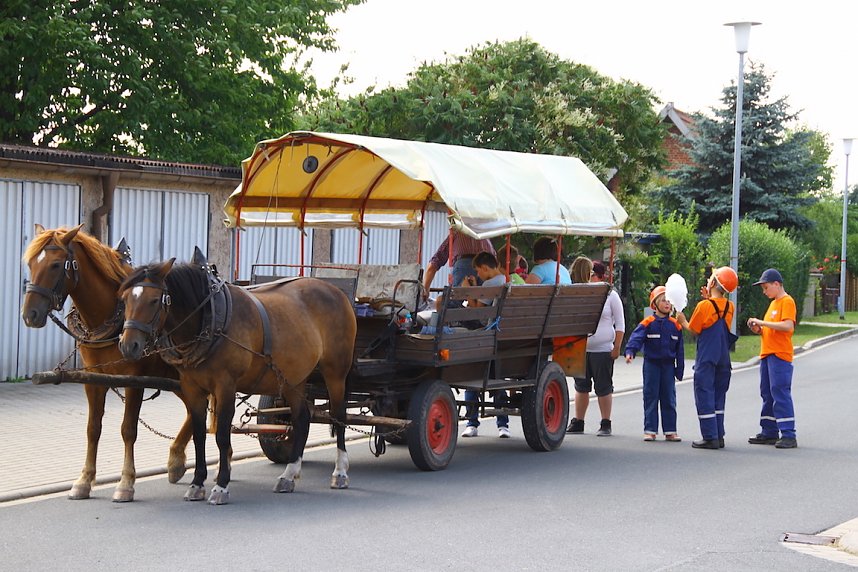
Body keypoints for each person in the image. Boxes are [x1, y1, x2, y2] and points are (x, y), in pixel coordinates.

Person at [676, 266, 737, 450]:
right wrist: (709, 298)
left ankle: (710, 437)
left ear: (714, 283)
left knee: (704, 393)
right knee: (719, 395)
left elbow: (694, 329)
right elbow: (715, 314)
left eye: (711, 278)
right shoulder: (730, 306)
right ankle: (719, 435)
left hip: (707, 357)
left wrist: (682, 321)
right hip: (723, 358)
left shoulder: (704, 306)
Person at [567, 260, 624, 436]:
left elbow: (620, 323)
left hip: (602, 349)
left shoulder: (610, 295)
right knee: (580, 386)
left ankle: (606, 422)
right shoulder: (578, 293)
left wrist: (617, 347)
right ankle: (579, 420)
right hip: (581, 348)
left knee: (604, 386)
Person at [460, 251, 510, 438]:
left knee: (471, 376)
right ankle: (503, 425)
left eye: (478, 271)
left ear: (485, 268)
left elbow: (477, 312)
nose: (478, 274)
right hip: (504, 333)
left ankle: (472, 423)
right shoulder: (507, 280)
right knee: (498, 381)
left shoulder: (490, 284)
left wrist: (467, 290)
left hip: (486, 332)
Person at [746, 268, 798, 449]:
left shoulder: (787, 301)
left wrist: (762, 322)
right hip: (768, 353)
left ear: (777, 284)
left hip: (779, 354)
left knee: (780, 391)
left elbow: (788, 326)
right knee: (767, 392)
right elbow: (772, 328)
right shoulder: (773, 304)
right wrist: (759, 329)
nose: (764, 291)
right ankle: (769, 431)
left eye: (766, 287)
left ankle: (788, 434)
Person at [625, 286, 684, 442]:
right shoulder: (648, 322)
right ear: (655, 304)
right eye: (663, 300)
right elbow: (636, 338)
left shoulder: (676, 324)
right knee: (651, 396)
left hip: (668, 366)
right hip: (651, 365)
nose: (667, 303)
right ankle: (650, 430)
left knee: (669, 398)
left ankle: (670, 431)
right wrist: (630, 352)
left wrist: (680, 369)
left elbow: (680, 350)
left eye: (669, 301)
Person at [423, 232, 495, 299]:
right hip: (485, 267)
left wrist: (425, 288)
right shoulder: (485, 235)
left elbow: (435, 262)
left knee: (454, 302)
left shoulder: (457, 233)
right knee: (483, 301)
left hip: (463, 265)